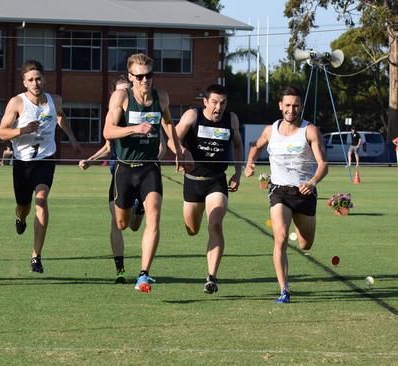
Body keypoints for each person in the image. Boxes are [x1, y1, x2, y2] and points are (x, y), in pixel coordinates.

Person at [103, 53, 183, 293]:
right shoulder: (122, 97)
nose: (145, 80)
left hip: (150, 167)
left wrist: (177, 149)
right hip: (125, 168)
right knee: (121, 222)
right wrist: (134, 129)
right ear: (131, 76)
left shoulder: (162, 97)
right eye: (139, 76)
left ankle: (143, 274)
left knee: (155, 216)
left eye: (149, 75)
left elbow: (168, 123)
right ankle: (134, 210)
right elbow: (108, 131)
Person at [244, 85, 328, 304]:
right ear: (281, 106)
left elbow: (323, 164)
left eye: (296, 105)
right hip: (279, 191)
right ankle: (284, 289)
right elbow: (256, 146)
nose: (292, 109)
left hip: (304, 193)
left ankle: (303, 239)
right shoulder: (271, 130)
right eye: (288, 105)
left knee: (305, 244)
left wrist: (312, 182)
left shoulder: (310, 131)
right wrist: (250, 162)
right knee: (280, 237)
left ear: (301, 107)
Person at [0, 59, 81, 273]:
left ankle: (36, 256)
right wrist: (22, 130)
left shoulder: (55, 100)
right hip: (23, 162)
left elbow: (60, 117)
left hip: (46, 159)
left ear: (44, 79)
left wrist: (72, 138)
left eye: (38, 78)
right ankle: (20, 217)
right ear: (24, 83)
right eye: (30, 80)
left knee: (41, 201)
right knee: (24, 206)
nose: (35, 83)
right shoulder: (16, 103)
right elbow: (1, 132)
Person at [167, 84, 244, 294]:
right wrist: (182, 152)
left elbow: (237, 144)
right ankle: (194, 223)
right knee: (192, 230)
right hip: (192, 181)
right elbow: (172, 140)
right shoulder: (192, 116)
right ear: (205, 102)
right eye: (215, 102)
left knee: (216, 224)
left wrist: (237, 173)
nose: (219, 108)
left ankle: (211, 277)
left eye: (223, 103)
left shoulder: (231, 120)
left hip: (216, 181)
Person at [78, 75, 146, 283]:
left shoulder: (143, 114)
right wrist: (90, 160)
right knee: (117, 223)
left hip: (143, 175)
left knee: (134, 226)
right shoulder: (113, 119)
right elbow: (108, 148)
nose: (124, 94)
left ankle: (139, 209)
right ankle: (120, 270)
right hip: (119, 177)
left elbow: (160, 145)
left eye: (128, 90)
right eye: (121, 91)